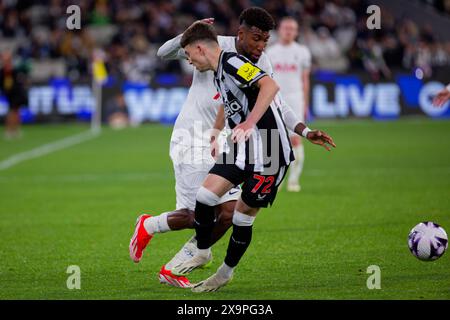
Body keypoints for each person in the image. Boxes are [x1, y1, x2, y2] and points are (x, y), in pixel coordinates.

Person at [130, 7, 335, 289]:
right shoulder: (215, 49)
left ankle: (186, 262)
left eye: (266, 40)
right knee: (196, 213)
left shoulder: (257, 60)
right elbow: (164, 53)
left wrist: (303, 129)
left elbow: (273, 95)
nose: (262, 46)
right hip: (192, 136)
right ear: (240, 34)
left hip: (249, 144)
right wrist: (190, 32)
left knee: (227, 214)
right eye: (257, 39)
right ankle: (150, 228)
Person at [266, 17, 312, 192]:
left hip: (295, 99)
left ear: (297, 32)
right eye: (285, 27)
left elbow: (305, 80)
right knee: (272, 140)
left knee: (295, 139)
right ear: (280, 30)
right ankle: (275, 180)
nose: (288, 31)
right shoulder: (270, 52)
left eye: (292, 28)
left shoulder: (302, 52)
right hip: (273, 98)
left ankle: (293, 180)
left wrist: (305, 103)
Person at [1, 51, 27, 139]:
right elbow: (5, 84)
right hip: (11, 94)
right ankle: (9, 130)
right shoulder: (4, 71)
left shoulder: (13, 70)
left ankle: (15, 129)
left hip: (17, 93)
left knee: (16, 112)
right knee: (12, 112)